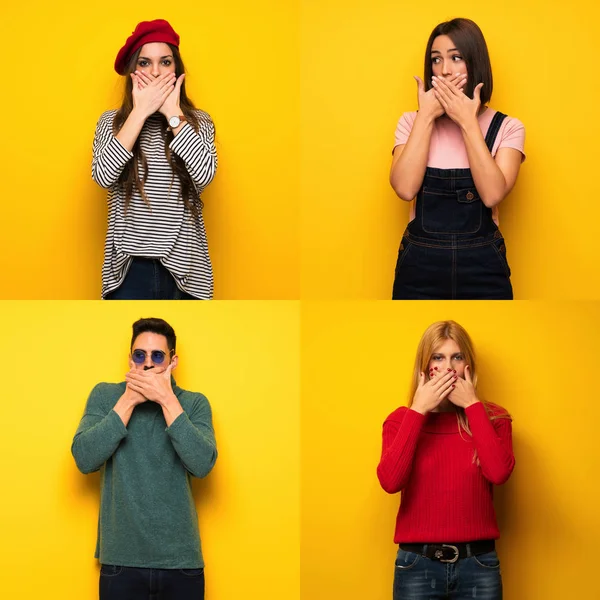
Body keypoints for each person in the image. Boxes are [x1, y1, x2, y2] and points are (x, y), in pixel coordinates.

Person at [72, 317, 217, 600]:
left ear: (173, 361)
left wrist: (166, 400)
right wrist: (127, 401)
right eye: (139, 355)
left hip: (181, 563)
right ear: (130, 360)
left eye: (157, 356)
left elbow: (202, 465)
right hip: (121, 561)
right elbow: (84, 458)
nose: (147, 364)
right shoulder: (105, 396)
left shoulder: (194, 403)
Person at [377, 321, 515, 600]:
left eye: (457, 357)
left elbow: (499, 473)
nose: (448, 367)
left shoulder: (494, 418)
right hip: (417, 566)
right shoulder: (400, 420)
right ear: (424, 368)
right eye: (438, 357)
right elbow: (390, 482)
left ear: (468, 366)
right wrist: (418, 410)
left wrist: (473, 406)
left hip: (478, 565)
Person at [390, 18, 525, 299]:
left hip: (483, 270)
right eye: (436, 60)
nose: (445, 70)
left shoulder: (509, 127)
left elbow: (492, 195)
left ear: (475, 63)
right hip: (419, 269)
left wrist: (467, 122)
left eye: (456, 58)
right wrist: (426, 115)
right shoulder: (410, 122)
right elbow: (403, 188)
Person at [92, 19, 217, 300]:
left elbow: (205, 176)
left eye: (166, 62)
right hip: (127, 269)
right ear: (133, 71)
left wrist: (173, 112)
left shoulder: (198, 122)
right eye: (145, 63)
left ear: (177, 69)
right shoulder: (111, 123)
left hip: (186, 270)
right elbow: (103, 176)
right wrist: (140, 112)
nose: (157, 72)